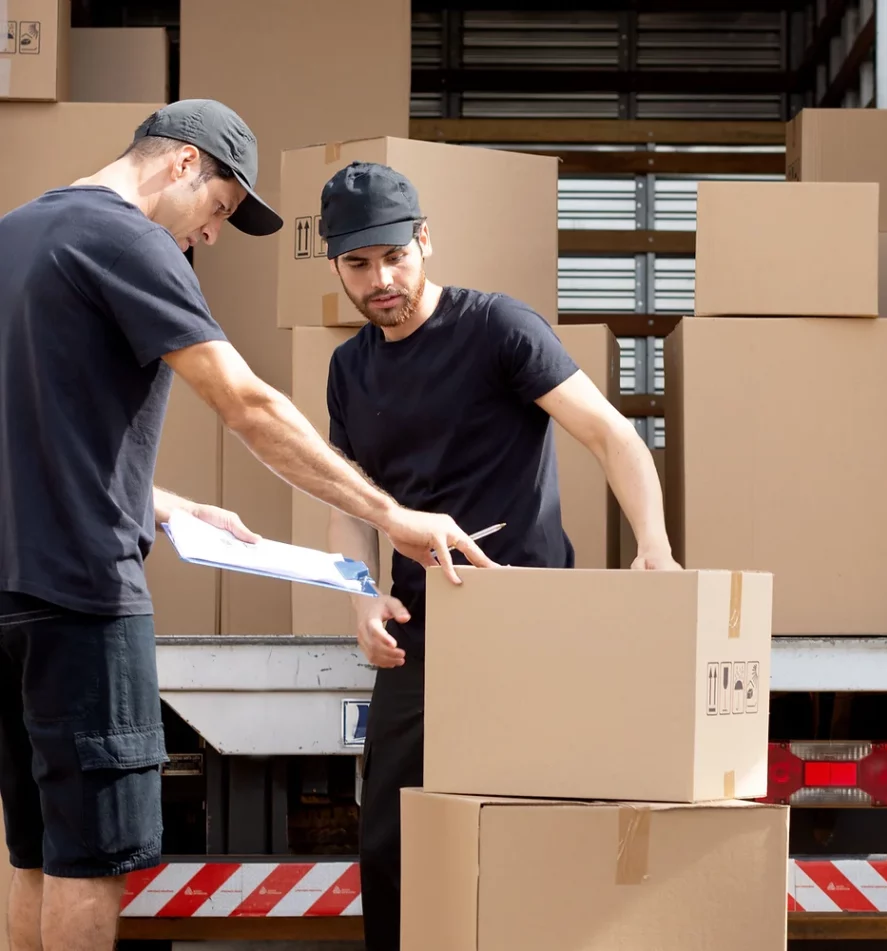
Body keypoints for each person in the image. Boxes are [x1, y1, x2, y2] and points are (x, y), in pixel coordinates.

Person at [0, 101, 493, 951]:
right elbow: (248, 404)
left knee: (33, 850)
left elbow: (34, 427)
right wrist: (391, 515)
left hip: (9, 594)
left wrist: (163, 503)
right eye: (222, 208)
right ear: (183, 164)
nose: (214, 234)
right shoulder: (130, 240)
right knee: (91, 860)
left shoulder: (14, 236)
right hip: (80, 597)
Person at [318, 160, 682, 951]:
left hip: (529, 626)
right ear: (337, 267)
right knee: (391, 845)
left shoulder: (498, 329)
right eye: (357, 263)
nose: (380, 279)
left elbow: (612, 435)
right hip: (418, 630)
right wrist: (360, 598)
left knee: (535, 838)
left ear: (424, 240)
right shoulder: (350, 369)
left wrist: (653, 545)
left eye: (394, 255)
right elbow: (348, 504)